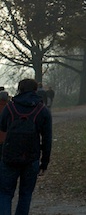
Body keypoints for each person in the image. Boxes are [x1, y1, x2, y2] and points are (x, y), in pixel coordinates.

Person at [0, 79, 52, 215]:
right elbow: (47, 139)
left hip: (9, 156)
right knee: (25, 194)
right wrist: (44, 163)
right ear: (35, 91)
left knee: (5, 194)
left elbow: (2, 126)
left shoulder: (10, 107)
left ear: (19, 89)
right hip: (31, 157)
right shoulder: (42, 110)